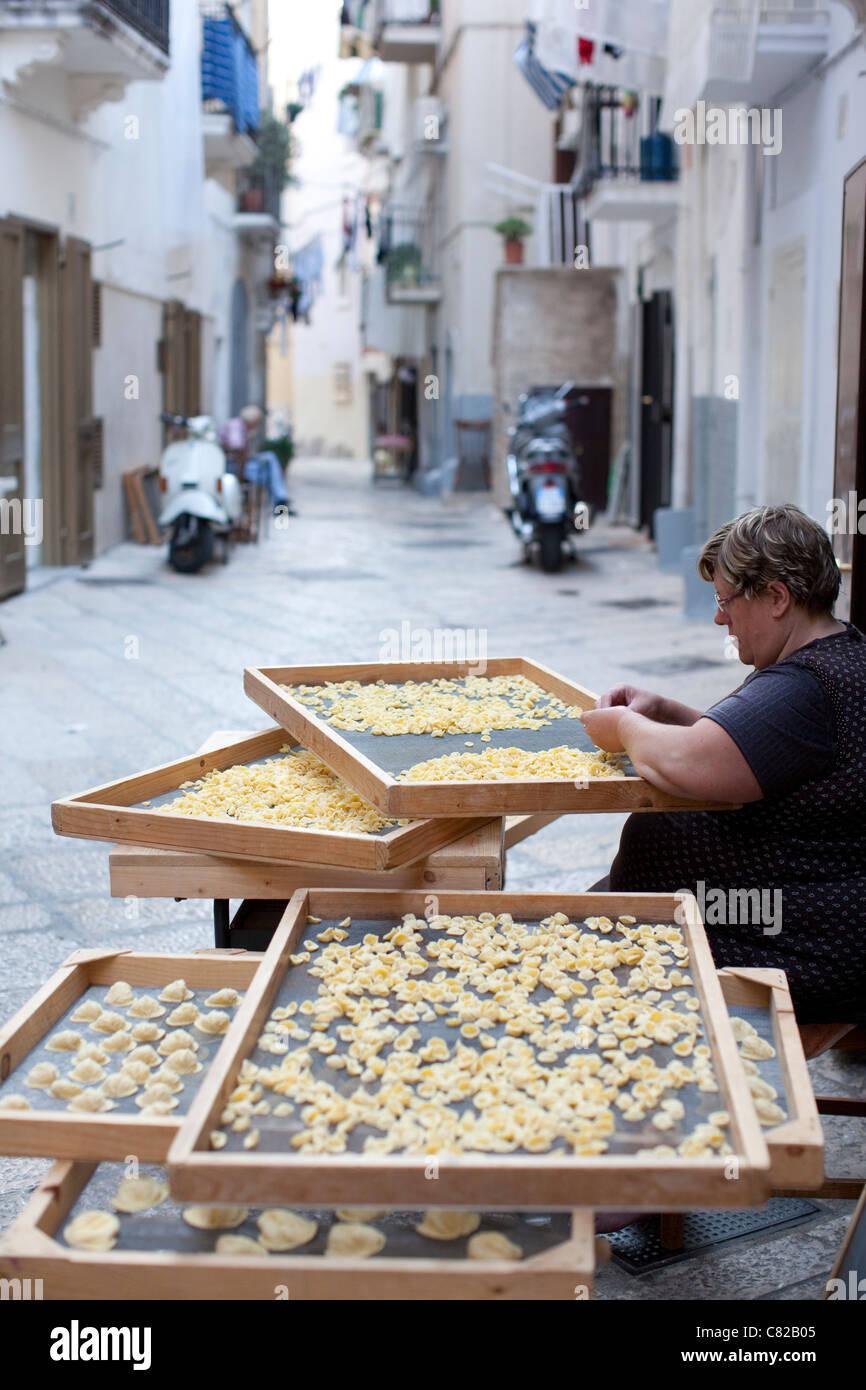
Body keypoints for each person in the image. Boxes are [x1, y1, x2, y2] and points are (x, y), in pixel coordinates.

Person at [581, 504, 866, 1037]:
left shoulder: (808, 686)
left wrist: (623, 727)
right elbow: (755, 752)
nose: (719, 618)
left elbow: (690, 762)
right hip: (778, 923)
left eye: (726, 600)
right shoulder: (837, 656)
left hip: (790, 943)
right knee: (578, 918)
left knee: (567, 958)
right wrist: (666, 711)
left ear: (777, 598)